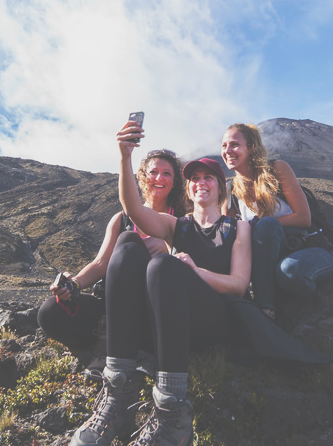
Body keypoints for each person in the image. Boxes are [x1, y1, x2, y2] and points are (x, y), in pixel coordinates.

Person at [69, 119, 251, 446]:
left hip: (217, 322)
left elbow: (238, 286)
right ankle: (118, 396)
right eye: (194, 178)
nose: (200, 183)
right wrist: (125, 157)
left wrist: (194, 270)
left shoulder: (237, 228)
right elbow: (135, 211)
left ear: (220, 186)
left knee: (165, 266)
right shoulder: (176, 225)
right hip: (174, 326)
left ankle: (172, 414)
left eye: (208, 176)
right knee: (129, 244)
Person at [37, 148, 186, 361]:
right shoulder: (121, 220)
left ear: (175, 181)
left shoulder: (182, 221)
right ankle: (102, 345)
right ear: (143, 177)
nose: (159, 178)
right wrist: (73, 285)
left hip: (154, 309)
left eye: (167, 173)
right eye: (153, 172)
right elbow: (100, 264)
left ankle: (119, 348)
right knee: (50, 312)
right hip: (113, 309)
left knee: (129, 243)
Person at [221, 123, 333, 319]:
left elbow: (304, 217)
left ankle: (268, 307)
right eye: (224, 145)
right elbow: (227, 234)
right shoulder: (230, 189)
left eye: (234, 144)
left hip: (310, 250)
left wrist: (259, 225)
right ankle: (264, 310)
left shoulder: (277, 170)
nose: (227, 151)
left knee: (289, 272)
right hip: (267, 264)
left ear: (251, 147)